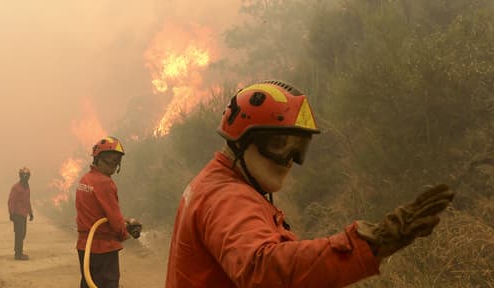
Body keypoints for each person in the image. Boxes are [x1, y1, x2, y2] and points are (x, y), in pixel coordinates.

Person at [165, 80, 455, 287]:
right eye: (279, 143)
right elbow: (261, 269)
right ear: (241, 141)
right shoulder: (228, 197)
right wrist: (370, 244)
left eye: (298, 147)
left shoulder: (212, 181)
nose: (289, 159)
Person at [75, 136, 142, 288]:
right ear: (97, 159)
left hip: (85, 247)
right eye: (110, 160)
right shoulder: (105, 183)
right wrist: (125, 233)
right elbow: (114, 217)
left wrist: (126, 223)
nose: (113, 165)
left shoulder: (85, 180)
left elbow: (97, 213)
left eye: (117, 160)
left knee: (89, 283)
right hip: (103, 248)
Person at [8, 166, 34, 261]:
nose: (25, 177)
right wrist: (11, 213)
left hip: (24, 214)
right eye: (24, 175)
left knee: (23, 234)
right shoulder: (16, 187)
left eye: (27, 175)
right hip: (17, 214)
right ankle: (18, 254)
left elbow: (27, 201)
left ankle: (18, 251)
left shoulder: (27, 187)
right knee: (19, 234)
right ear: (20, 176)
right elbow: (11, 201)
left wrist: (30, 213)